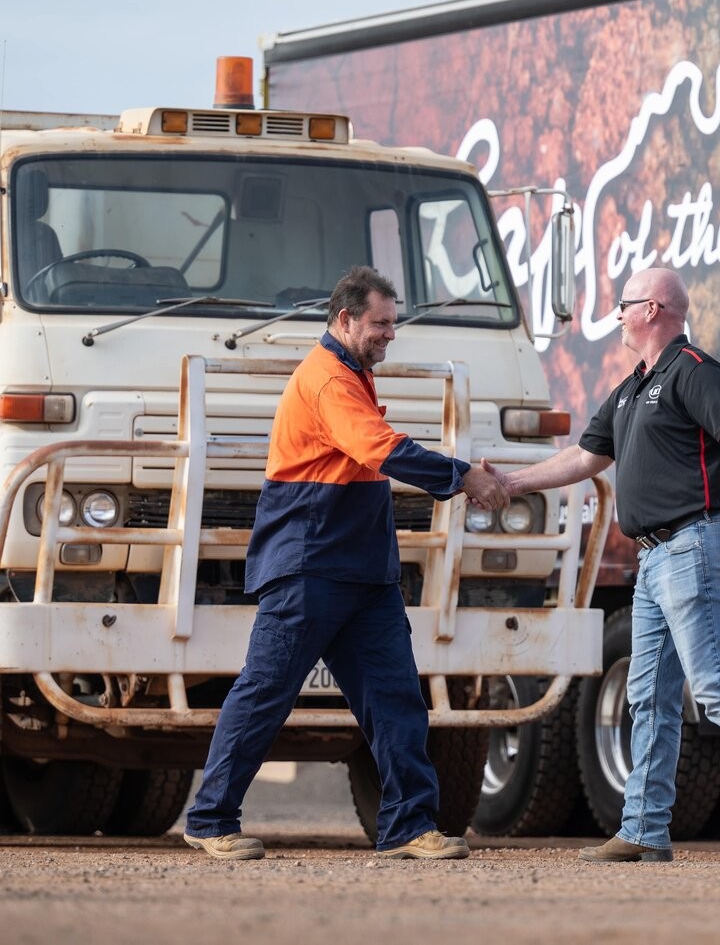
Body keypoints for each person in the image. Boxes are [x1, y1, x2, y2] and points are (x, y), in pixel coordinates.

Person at [182, 265, 509, 861]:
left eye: (394, 324)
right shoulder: (329, 380)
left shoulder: (350, 374)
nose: (390, 334)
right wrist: (462, 477)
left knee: (397, 699)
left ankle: (410, 826)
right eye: (380, 324)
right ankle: (209, 819)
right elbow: (379, 448)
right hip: (310, 566)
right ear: (345, 319)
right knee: (265, 693)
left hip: (360, 571)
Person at [491, 267, 720, 862]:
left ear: (655, 309)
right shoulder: (629, 389)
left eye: (624, 304)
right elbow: (583, 459)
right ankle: (643, 827)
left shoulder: (694, 371)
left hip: (695, 544)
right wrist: (512, 482)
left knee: (715, 683)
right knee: (649, 696)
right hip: (655, 558)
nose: (615, 314)